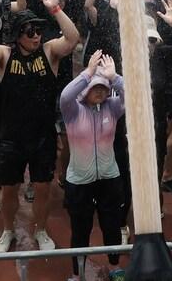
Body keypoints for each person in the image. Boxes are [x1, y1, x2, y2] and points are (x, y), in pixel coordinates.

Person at [0, 0, 79, 253]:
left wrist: (55, 9)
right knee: (9, 189)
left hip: (42, 134)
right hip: (10, 135)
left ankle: (41, 230)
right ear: (18, 34)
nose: (36, 36)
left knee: (43, 187)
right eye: (30, 31)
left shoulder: (50, 52)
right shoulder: (5, 56)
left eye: (39, 30)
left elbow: (73, 38)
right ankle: (8, 231)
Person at [60, 50, 126, 281]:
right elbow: (66, 96)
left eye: (103, 87)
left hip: (109, 178)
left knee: (112, 226)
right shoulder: (72, 111)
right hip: (79, 181)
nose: (99, 90)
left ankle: (115, 266)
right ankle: (78, 274)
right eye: (94, 87)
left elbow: (136, 95)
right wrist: (88, 73)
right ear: (86, 90)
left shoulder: (113, 109)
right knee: (80, 230)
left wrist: (115, 77)